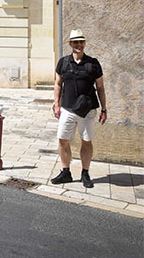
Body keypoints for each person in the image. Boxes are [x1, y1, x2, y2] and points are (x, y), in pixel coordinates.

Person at [50, 29, 107, 188]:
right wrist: (57, 105)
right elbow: (57, 84)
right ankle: (65, 172)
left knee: (86, 141)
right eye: (75, 42)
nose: (78, 45)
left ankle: (85, 173)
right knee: (62, 140)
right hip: (67, 109)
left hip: (87, 110)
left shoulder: (93, 63)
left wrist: (104, 109)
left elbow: (101, 87)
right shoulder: (63, 62)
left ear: (84, 44)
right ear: (70, 44)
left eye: (81, 42)